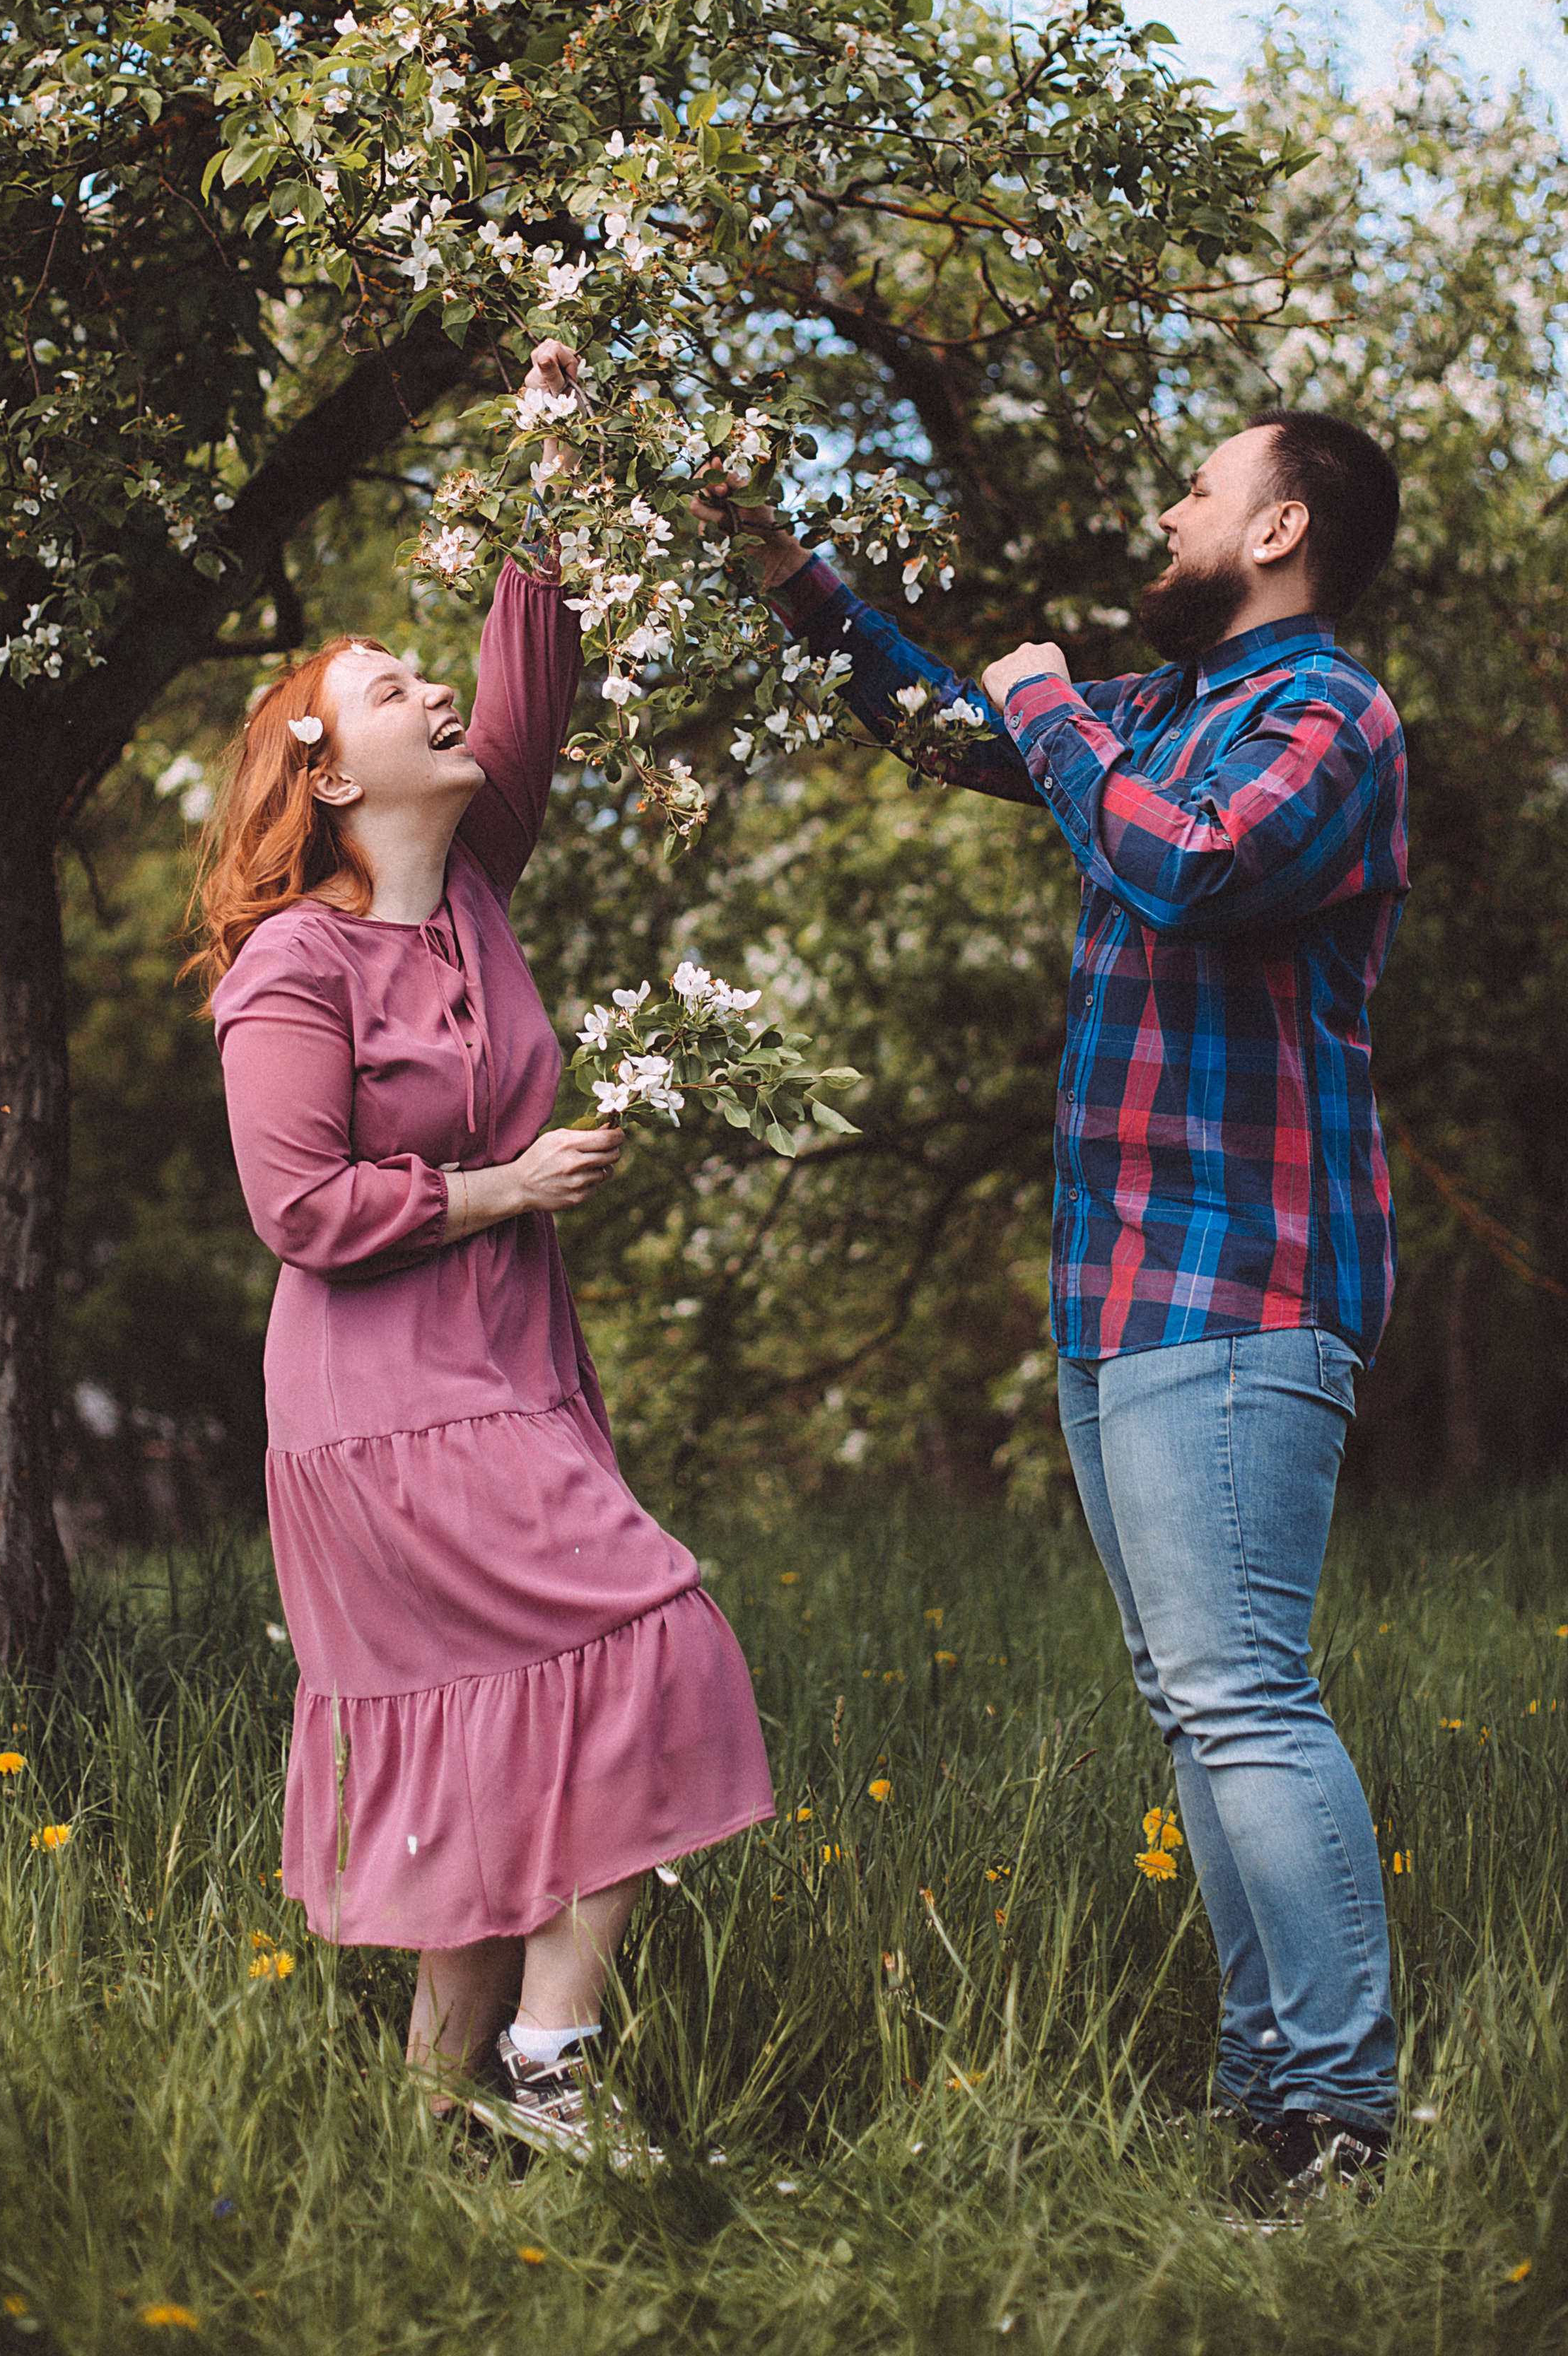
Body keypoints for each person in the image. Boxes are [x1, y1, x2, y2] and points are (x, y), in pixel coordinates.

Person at [702, 410, 1407, 2216]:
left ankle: (1339, 2118)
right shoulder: (1157, 713)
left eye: (1197, 490)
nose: (1166, 511)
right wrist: (790, 575)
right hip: (1120, 1282)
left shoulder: (1327, 716)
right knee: (1191, 1702)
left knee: (1239, 1695)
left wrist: (1041, 705)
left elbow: (1191, 865)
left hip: (1240, 1272)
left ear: (1279, 529)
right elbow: (962, 728)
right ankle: (1265, 2094)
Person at [189, 340, 773, 2162]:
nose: (430, 689)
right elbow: (296, 1208)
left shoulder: (477, 891)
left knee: (488, 1749)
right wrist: (501, 1189)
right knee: (658, 1639)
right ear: (323, 771)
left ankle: (426, 2148)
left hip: (511, 1375)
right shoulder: (294, 965)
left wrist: (556, 443)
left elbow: (530, 665)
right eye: (387, 686)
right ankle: (550, 2070)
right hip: (381, 1412)